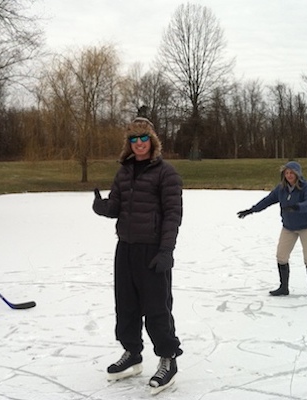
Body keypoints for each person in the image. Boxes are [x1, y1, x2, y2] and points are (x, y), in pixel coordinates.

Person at [92, 117, 183, 394]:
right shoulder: (124, 172)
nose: (139, 143)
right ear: (128, 144)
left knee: (157, 308)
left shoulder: (166, 173)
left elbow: (172, 215)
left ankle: (168, 359)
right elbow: (118, 206)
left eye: (143, 138)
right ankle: (132, 353)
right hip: (126, 248)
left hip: (153, 250)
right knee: (126, 306)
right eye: (134, 139)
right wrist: (103, 207)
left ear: (152, 141)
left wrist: (166, 250)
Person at [237, 161, 307, 299]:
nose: (289, 176)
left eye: (292, 173)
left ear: (297, 174)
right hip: (289, 227)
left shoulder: (306, 187)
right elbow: (267, 200)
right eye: (286, 173)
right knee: (281, 256)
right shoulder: (281, 189)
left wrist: (296, 207)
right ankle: (283, 287)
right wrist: (252, 210)